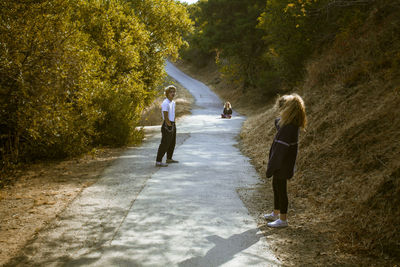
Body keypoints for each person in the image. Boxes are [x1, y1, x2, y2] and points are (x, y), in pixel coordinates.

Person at [263, 93, 307, 228]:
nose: (281, 109)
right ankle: (276, 213)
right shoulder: (289, 125)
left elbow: (279, 152)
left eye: (284, 107)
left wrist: (271, 168)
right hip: (282, 165)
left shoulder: (288, 129)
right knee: (276, 187)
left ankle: (283, 219)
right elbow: (278, 123)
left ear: (289, 110)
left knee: (281, 191)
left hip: (282, 165)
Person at [155, 85, 179, 167]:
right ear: (167, 93)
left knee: (172, 142)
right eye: (171, 92)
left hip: (172, 123)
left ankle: (169, 158)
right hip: (167, 124)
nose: (173, 93)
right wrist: (169, 125)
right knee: (165, 143)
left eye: (173, 92)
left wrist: (173, 124)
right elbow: (165, 116)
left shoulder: (173, 102)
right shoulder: (165, 103)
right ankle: (158, 161)